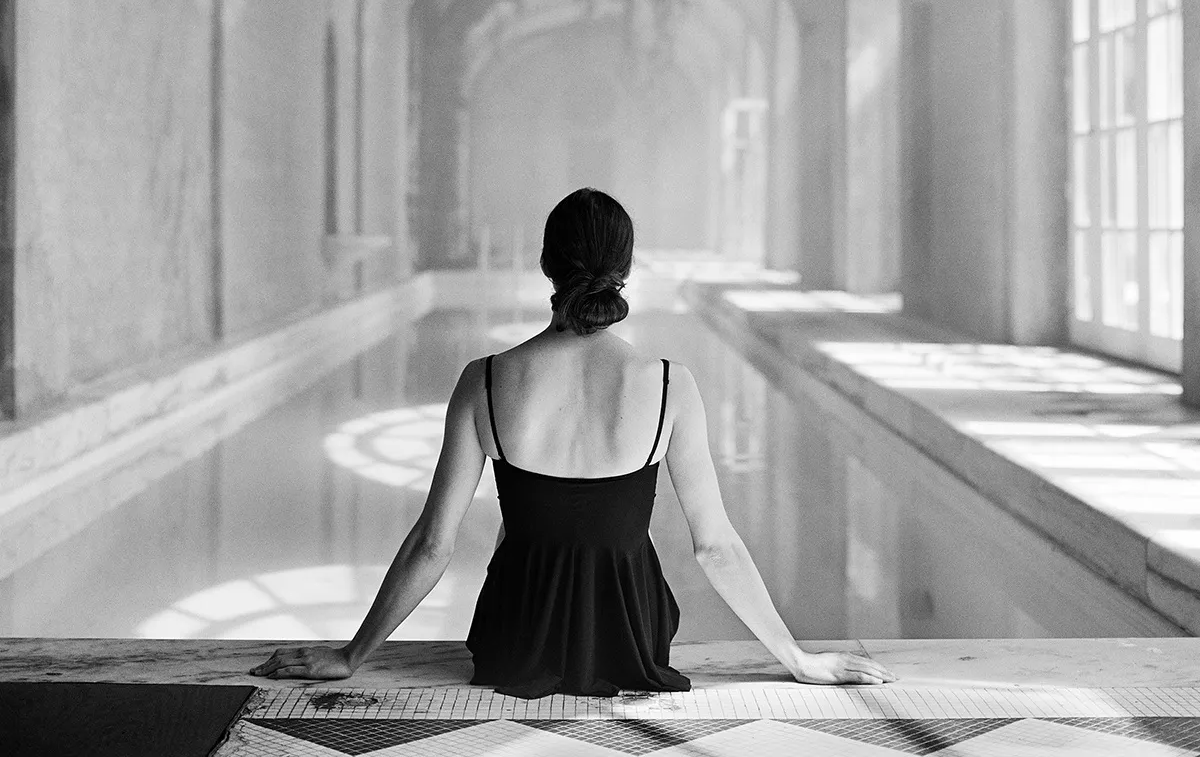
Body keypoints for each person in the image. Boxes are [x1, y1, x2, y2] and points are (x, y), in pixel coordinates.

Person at [251, 187, 895, 694]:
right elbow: (715, 546)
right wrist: (798, 660)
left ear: (545, 265)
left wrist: (351, 654)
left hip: (514, 642)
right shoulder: (669, 384)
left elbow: (431, 543)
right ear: (625, 268)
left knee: (515, 531)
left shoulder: (487, 380)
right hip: (630, 641)